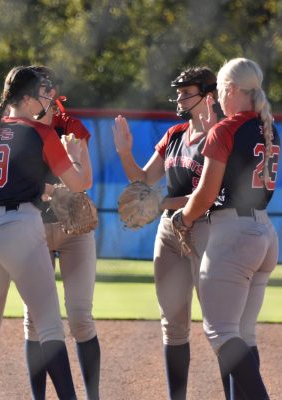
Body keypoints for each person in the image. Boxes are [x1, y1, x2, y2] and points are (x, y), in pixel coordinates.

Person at [0, 66, 91, 400]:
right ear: (27, 99)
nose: (48, 99)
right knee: (49, 327)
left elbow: (4, 175)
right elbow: (79, 185)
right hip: (20, 228)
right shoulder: (41, 133)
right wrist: (77, 156)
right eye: (43, 94)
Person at [112, 67, 219, 400]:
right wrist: (125, 152)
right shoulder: (175, 134)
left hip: (206, 228)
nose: (179, 97)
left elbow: (209, 193)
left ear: (209, 96)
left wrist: (162, 202)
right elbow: (143, 179)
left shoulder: (221, 135)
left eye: (187, 92)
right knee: (173, 325)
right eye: (179, 91)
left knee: (219, 324)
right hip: (169, 231)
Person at [176, 57, 280, 399]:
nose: (219, 97)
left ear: (232, 89)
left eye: (221, 89)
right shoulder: (268, 126)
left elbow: (206, 193)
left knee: (221, 333)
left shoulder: (225, 128)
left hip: (232, 236)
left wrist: (184, 218)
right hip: (264, 233)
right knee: (243, 335)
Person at [22, 65, 100, 400]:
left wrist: (73, 159)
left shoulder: (70, 127)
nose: (50, 97)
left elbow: (85, 180)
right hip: (33, 228)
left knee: (80, 317)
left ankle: (93, 396)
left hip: (73, 229)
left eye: (52, 91)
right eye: (43, 90)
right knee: (34, 320)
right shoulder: (18, 129)